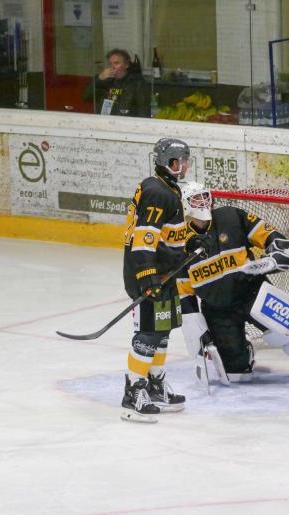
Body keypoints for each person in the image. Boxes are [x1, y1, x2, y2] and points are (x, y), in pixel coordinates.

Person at [178, 182, 289, 384]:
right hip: (218, 310)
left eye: (204, 196)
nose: (203, 202)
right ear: (185, 205)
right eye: (196, 198)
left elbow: (266, 233)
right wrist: (199, 332)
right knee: (236, 375)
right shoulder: (179, 244)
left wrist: (277, 246)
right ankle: (244, 353)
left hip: (253, 292)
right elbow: (185, 295)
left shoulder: (230, 216)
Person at [120, 138, 190, 423]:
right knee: (149, 333)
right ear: (172, 163)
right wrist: (147, 276)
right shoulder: (158, 192)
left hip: (164, 273)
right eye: (183, 160)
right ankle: (133, 391)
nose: (185, 166)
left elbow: (166, 235)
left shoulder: (165, 188)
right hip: (150, 274)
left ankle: (155, 384)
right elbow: (144, 237)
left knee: (162, 330)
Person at [83, 48, 150, 117]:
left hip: (125, 121)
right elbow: (86, 97)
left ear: (126, 65)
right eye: (110, 64)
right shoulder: (104, 80)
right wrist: (99, 79)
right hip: (105, 120)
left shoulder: (136, 81)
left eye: (116, 63)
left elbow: (143, 108)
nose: (112, 67)